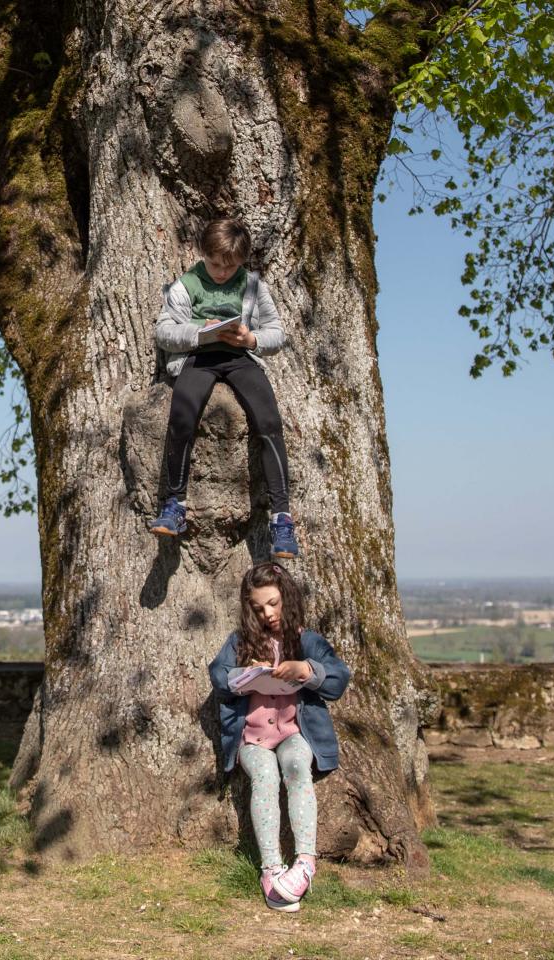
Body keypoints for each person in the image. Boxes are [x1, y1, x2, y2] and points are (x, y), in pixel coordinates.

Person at [149, 218, 299, 558]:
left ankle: (282, 518)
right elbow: (163, 332)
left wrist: (252, 338)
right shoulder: (185, 285)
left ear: (242, 262)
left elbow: (277, 332)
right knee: (183, 417)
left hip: (240, 358)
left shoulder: (252, 286)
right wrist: (201, 330)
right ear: (205, 254)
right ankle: (175, 504)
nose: (220, 271)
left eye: (229, 266)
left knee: (269, 423)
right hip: (197, 358)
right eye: (215, 264)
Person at [207, 562, 351, 911]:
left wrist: (307, 670)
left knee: (298, 767)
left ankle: (305, 862)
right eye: (258, 608)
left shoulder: (307, 640)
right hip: (252, 738)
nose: (268, 613)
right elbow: (218, 674)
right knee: (265, 775)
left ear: (287, 597)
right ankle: (270, 867)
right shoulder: (239, 641)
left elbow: (338, 678)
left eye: (273, 603)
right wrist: (245, 675)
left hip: (292, 733)